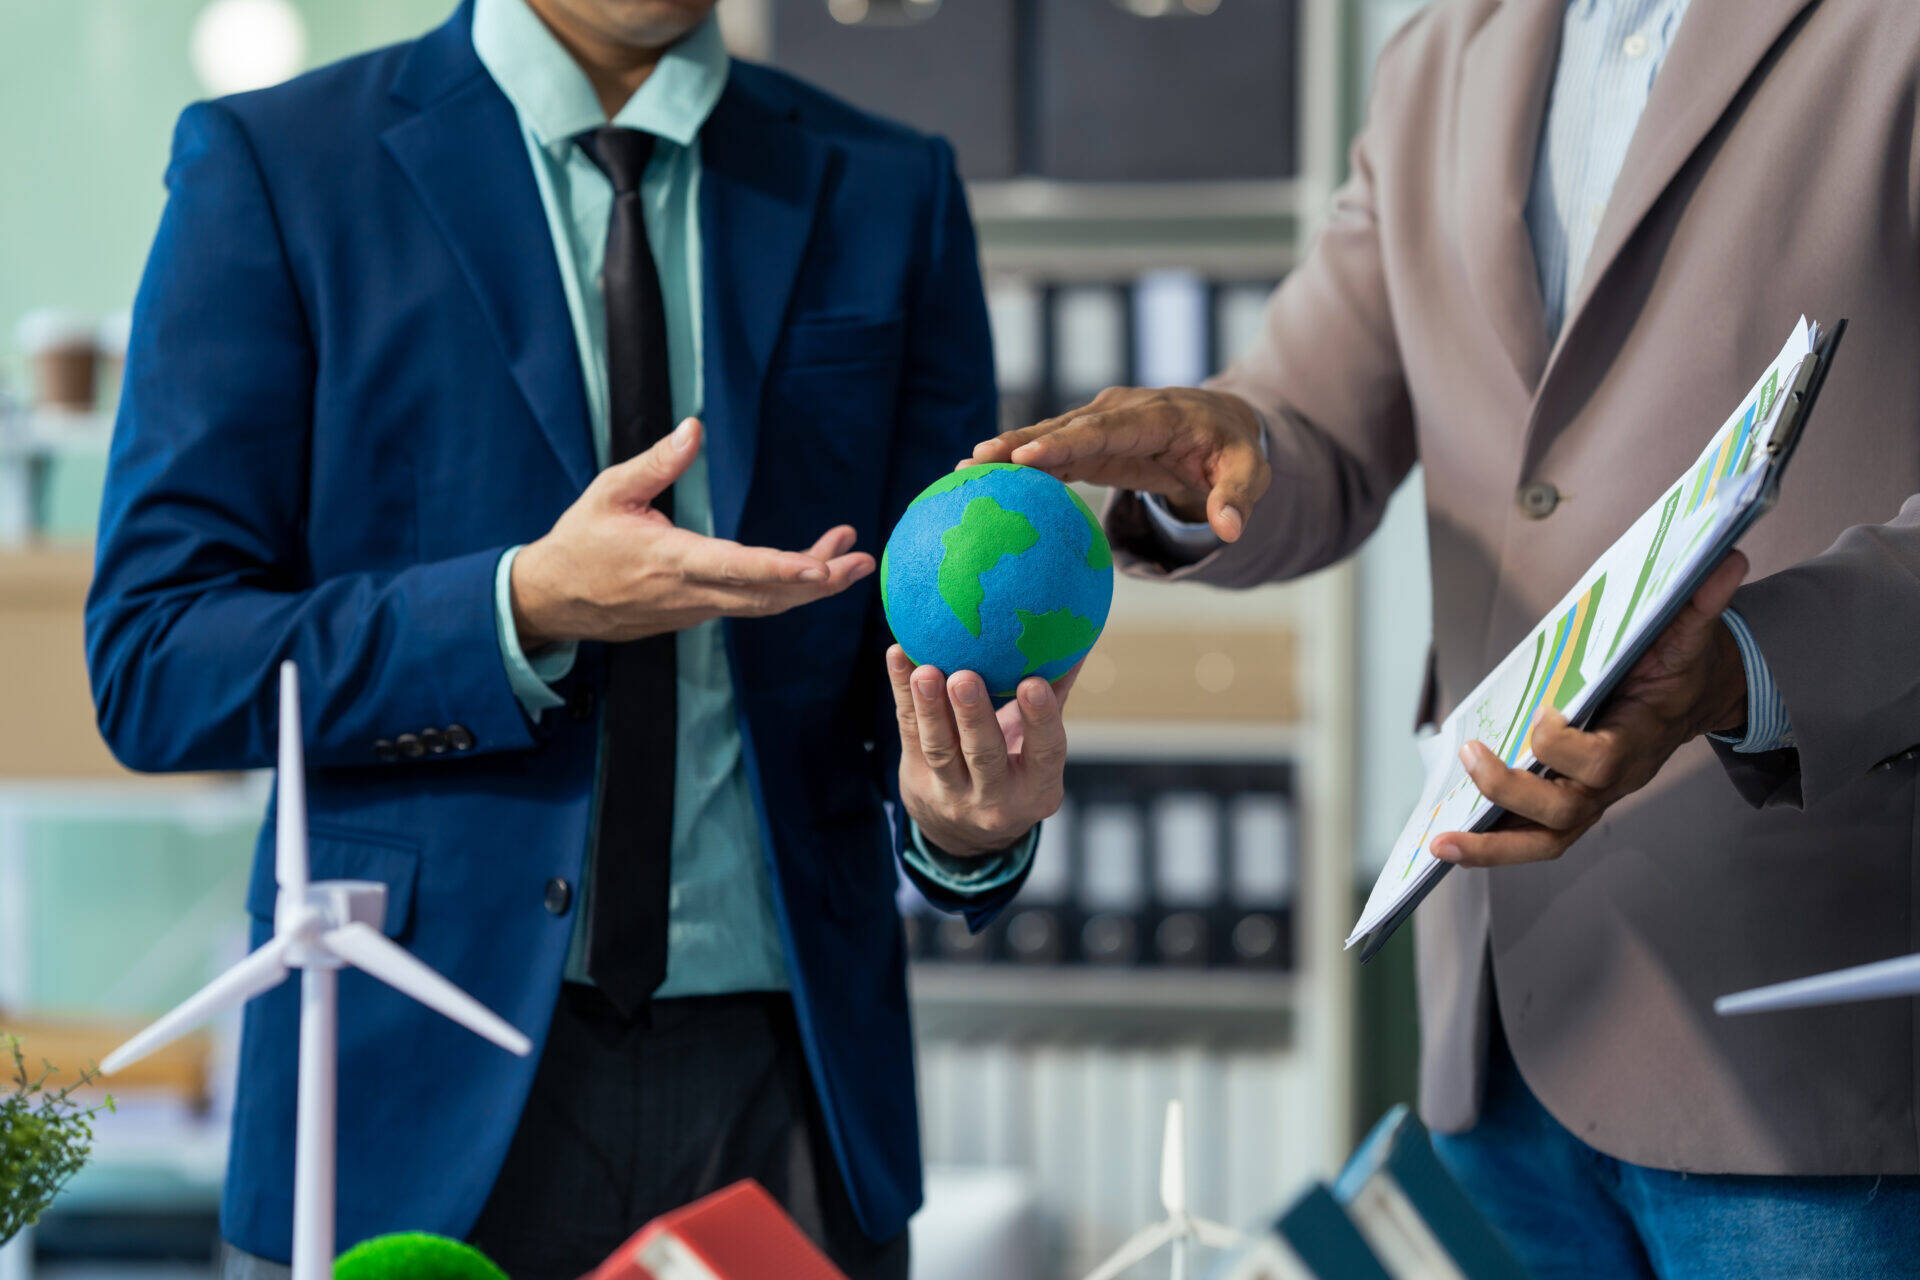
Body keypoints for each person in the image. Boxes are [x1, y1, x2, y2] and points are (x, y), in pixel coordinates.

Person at [84, 1, 1069, 1276]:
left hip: (789, 1096)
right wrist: (521, 608)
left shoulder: (892, 186)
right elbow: (157, 660)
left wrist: (967, 826)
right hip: (407, 1087)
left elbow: (927, 648)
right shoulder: (277, 166)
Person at [973, 1, 1920, 1275]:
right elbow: (1307, 419)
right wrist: (1222, 450)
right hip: (1495, 1023)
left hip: (1802, 1050)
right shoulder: (1440, 55)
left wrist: (1750, 666)